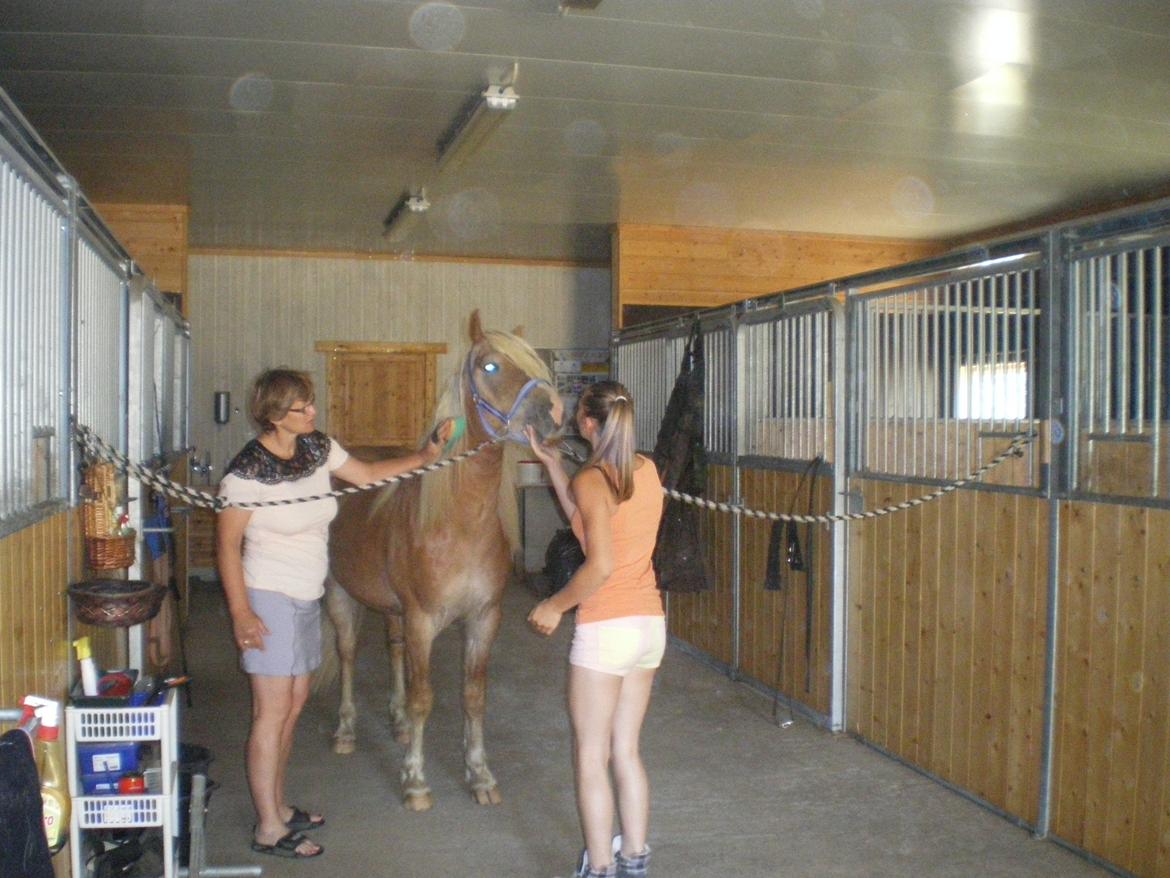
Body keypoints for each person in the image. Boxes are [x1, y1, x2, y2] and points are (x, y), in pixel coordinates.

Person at [217, 367, 450, 860]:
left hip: (307, 594)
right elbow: (226, 547)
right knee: (271, 713)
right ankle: (268, 829)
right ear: (274, 415)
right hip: (268, 597)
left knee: (295, 703)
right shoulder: (245, 474)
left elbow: (366, 475)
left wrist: (426, 456)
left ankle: (277, 806)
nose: (311, 412)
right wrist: (241, 612)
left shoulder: (318, 447)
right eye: (300, 407)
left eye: (311, 403)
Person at [525, 381, 665, 878]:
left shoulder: (594, 478)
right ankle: (633, 860)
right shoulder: (646, 470)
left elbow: (598, 564)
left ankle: (600, 867)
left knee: (590, 756)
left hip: (607, 628)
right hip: (649, 626)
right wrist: (551, 465)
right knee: (626, 749)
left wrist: (556, 605)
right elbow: (586, 522)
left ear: (587, 423)